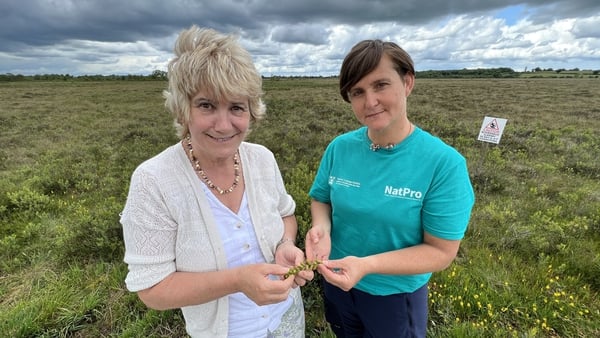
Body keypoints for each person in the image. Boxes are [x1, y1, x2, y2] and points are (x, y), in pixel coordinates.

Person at [120, 25, 313, 338]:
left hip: (287, 319)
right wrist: (237, 281)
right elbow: (152, 289)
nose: (224, 125)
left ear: (251, 112)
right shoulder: (154, 180)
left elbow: (285, 214)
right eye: (206, 105)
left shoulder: (262, 159)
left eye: (236, 107)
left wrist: (285, 244)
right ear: (184, 110)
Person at [305, 39, 475, 337]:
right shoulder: (340, 148)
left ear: (407, 82)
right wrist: (322, 227)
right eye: (357, 92)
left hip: (394, 297)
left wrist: (367, 266)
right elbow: (321, 198)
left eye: (380, 85)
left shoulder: (443, 164)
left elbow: (440, 251)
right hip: (336, 283)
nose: (369, 101)